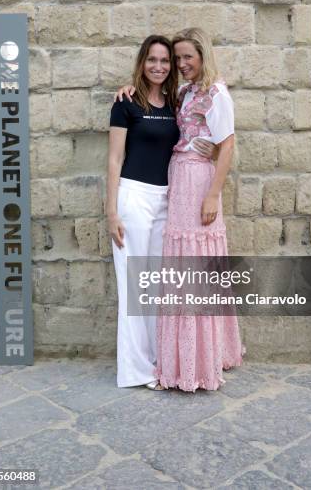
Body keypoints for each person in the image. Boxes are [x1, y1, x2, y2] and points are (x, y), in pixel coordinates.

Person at [116, 28, 244, 391]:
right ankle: (181, 356)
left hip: (200, 185)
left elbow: (228, 143)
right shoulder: (185, 92)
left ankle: (200, 361)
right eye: (179, 58)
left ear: (203, 56)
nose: (183, 64)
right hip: (179, 183)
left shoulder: (217, 91)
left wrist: (213, 195)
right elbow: (169, 117)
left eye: (189, 57)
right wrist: (127, 86)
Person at [107, 35, 214, 389]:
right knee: (133, 286)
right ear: (142, 62)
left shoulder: (175, 101)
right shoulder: (126, 102)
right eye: (152, 60)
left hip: (166, 199)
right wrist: (111, 211)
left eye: (165, 61)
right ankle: (135, 371)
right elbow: (114, 158)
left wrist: (211, 151)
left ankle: (158, 363)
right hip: (133, 197)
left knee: (155, 287)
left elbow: (198, 131)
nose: (159, 66)